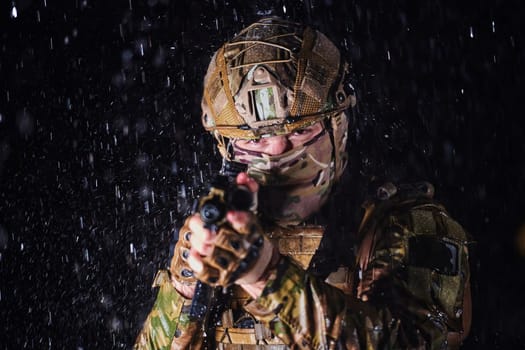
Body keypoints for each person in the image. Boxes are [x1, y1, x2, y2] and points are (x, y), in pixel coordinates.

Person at [134, 17, 472, 349]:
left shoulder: (405, 225)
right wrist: (185, 288)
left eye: (299, 131)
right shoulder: (221, 234)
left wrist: (265, 275)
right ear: (226, 148)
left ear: (338, 125)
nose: (278, 150)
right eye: (255, 141)